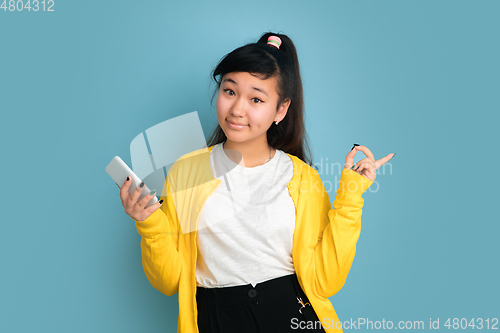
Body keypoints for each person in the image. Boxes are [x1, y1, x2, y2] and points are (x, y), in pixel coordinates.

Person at [118, 32, 394, 333]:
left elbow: (324, 281)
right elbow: (170, 281)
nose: (237, 109)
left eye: (256, 99)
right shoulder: (187, 172)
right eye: (230, 91)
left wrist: (351, 195)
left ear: (281, 110)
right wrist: (149, 223)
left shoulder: (302, 179)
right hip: (217, 318)